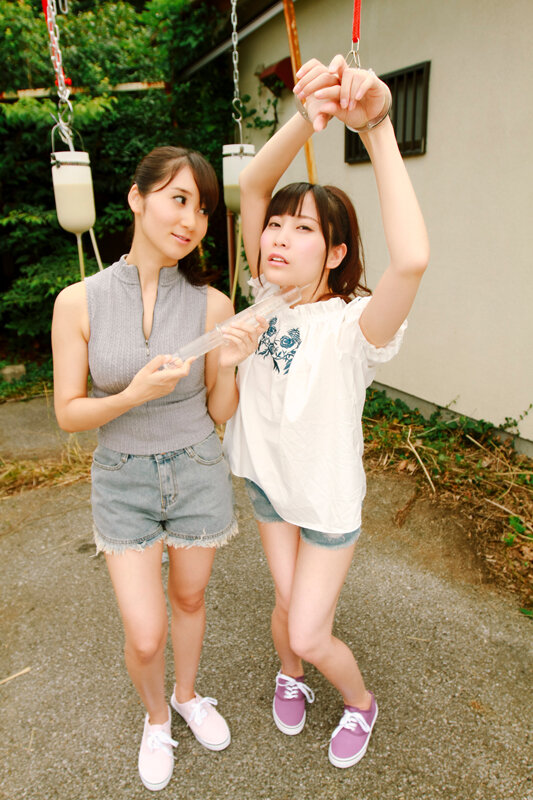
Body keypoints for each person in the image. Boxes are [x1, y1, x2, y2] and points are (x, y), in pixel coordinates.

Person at [224, 56, 430, 769]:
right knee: (288, 609)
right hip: (268, 485)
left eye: (303, 229)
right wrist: (307, 119)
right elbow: (253, 184)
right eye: (276, 225)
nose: (279, 236)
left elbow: (411, 260)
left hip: (325, 502)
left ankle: (359, 702)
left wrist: (376, 127)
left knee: (310, 631)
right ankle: (291, 674)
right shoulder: (264, 294)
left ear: (337, 252)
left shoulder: (354, 325)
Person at [52, 146, 265, 791]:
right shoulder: (78, 302)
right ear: (136, 198)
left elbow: (219, 410)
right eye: (178, 200)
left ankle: (187, 695)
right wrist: (131, 396)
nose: (191, 221)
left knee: (190, 598)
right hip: (123, 479)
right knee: (145, 636)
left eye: (202, 209)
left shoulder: (213, 304)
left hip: (198, 467)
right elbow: (68, 413)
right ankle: (156, 720)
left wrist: (229, 368)